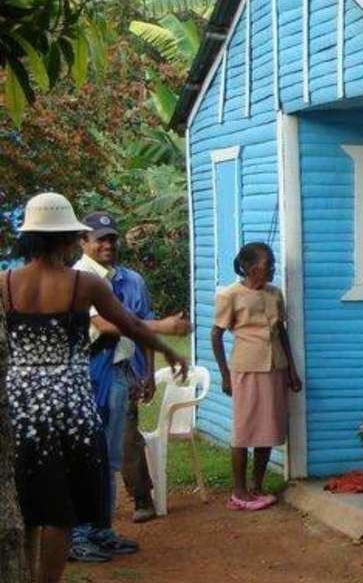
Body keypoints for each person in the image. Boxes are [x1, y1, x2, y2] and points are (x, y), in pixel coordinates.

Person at [1, 193, 188, 583]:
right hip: (71, 404)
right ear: (69, 238)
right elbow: (131, 325)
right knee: (62, 511)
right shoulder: (83, 284)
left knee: (28, 502)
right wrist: (169, 350)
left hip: (20, 405)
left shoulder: (5, 283)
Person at [67, 210, 192, 562]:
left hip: (119, 370)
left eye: (111, 238)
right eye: (99, 239)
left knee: (110, 456)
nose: (107, 244)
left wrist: (147, 370)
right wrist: (164, 327)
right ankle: (79, 535)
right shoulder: (80, 277)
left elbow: (135, 328)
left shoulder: (125, 279)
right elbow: (107, 325)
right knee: (87, 454)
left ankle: (100, 530)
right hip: (90, 371)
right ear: (82, 242)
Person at [211, 242, 301, 511]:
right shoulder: (230, 295)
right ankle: (239, 492)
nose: (272, 269)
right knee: (244, 430)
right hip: (247, 369)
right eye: (268, 265)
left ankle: (257, 487)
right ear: (251, 269)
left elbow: (281, 332)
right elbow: (216, 335)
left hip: (275, 368)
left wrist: (291, 370)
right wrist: (225, 375)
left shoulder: (275, 294)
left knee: (267, 428)